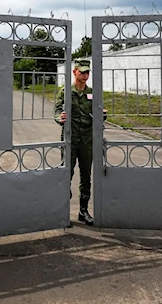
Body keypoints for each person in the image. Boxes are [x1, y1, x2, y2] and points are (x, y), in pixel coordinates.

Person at [54, 59, 106, 226]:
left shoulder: (93, 92)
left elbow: (98, 112)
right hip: (70, 137)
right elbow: (56, 110)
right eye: (82, 71)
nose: (85, 75)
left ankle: (83, 211)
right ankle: (63, 211)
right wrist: (59, 118)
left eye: (87, 72)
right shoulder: (65, 92)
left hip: (87, 138)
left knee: (86, 175)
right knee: (66, 173)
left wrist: (102, 114)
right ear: (74, 72)